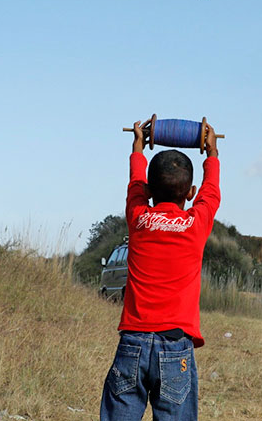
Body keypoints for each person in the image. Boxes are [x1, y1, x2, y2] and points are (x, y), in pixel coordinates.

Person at [100, 120, 221, 421]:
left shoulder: (138, 219)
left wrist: (137, 147)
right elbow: (212, 193)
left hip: (133, 344)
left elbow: (135, 185)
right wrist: (212, 155)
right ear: (190, 192)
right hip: (176, 348)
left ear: (149, 191)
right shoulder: (196, 223)